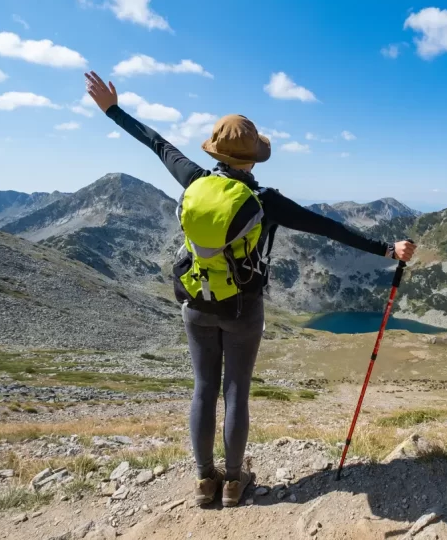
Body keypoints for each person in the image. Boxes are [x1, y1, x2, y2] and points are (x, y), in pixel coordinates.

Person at [84, 71, 416, 507]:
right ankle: (235, 483)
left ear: (216, 153)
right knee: (235, 388)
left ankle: (205, 480)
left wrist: (112, 108)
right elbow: (329, 228)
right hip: (243, 308)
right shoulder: (266, 202)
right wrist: (386, 249)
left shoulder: (194, 180)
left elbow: (158, 143)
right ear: (254, 159)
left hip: (195, 301)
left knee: (204, 388)